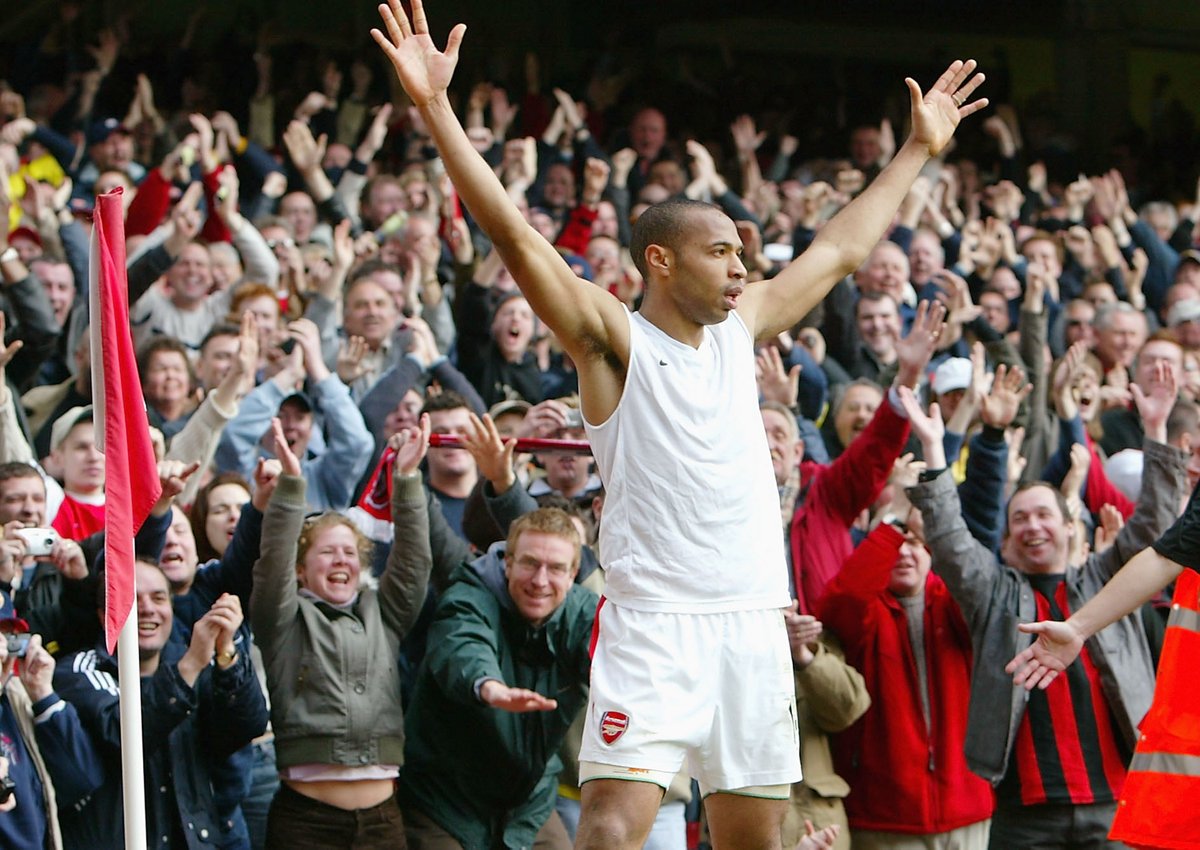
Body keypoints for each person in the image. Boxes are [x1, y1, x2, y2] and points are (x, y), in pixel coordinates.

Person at [372, 4, 985, 846]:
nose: (741, 268)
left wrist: (919, 148)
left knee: (752, 841)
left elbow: (840, 252)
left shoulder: (744, 327)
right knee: (610, 832)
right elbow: (516, 237)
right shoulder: (611, 339)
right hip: (653, 620)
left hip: (752, 622)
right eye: (721, 252)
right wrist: (438, 110)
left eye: (743, 255)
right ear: (660, 260)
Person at [250, 416, 432, 848]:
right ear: (301, 569)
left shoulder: (382, 614)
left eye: (350, 552)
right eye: (327, 552)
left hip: (382, 821)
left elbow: (413, 565)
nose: (341, 561)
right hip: (306, 822)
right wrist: (291, 488)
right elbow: (272, 564)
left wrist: (405, 479)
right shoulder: (283, 619)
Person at [398, 507, 596, 849]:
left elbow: (611, 654)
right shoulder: (469, 594)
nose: (540, 581)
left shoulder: (582, 611)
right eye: (530, 563)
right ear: (508, 562)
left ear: (573, 573)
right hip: (444, 800)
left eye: (556, 569)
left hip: (527, 803)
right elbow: (462, 643)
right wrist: (490, 688)